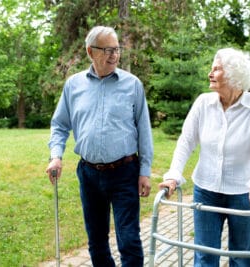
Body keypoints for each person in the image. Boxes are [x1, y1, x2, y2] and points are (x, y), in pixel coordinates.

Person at [45, 26, 153, 267]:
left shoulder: (132, 84)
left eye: (117, 49)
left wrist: (145, 171)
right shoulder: (73, 85)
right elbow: (60, 124)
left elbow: (144, 130)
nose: (114, 55)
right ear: (90, 52)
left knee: (129, 240)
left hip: (125, 172)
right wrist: (56, 156)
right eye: (107, 50)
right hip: (89, 173)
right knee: (96, 240)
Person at [159, 47, 250, 267]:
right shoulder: (203, 102)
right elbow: (186, 141)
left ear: (233, 74)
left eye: (217, 69)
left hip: (243, 193)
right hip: (206, 190)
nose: (210, 73)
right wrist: (173, 174)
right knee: (204, 255)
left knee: (241, 257)